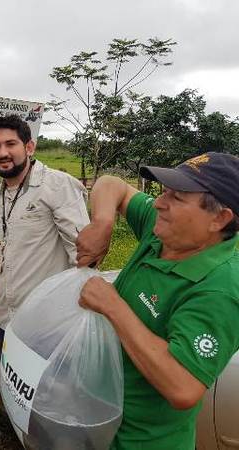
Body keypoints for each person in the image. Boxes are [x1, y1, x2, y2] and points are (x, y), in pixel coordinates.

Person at [76, 152, 239, 449]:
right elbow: (112, 184)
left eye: (177, 197)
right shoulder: (163, 230)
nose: (160, 203)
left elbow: (183, 387)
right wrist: (103, 223)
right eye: (164, 192)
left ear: (219, 218)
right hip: (99, 423)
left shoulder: (221, 289)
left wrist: (113, 306)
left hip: (142, 441)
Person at [0, 114, 89, 408]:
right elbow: (7, 259)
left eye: (11, 143)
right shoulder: (1, 195)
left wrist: (75, 318)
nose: (3, 152)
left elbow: (85, 257)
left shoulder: (57, 186)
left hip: (46, 324)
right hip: (8, 317)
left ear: (30, 147)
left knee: (48, 400)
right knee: (16, 393)